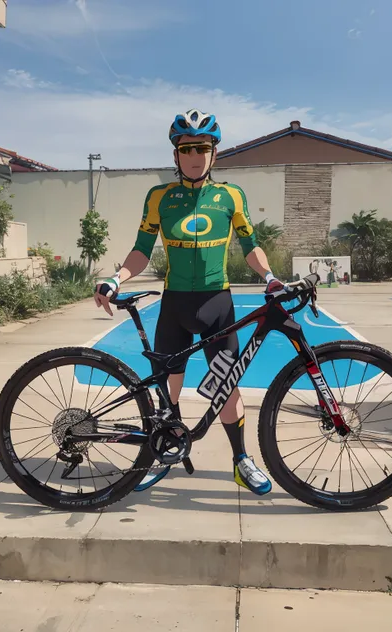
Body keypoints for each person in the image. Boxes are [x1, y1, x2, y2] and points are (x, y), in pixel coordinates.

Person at [95, 109, 288, 496]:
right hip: (176, 304)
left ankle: (240, 461)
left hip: (218, 301)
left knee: (228, 388)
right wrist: (115, 278)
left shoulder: (230, 195)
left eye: (202, 147)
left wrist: (269, 277)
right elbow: (141, 250)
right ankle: (164, 452)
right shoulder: (159, 198)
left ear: (214, 152)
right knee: (170, 388)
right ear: (176, 155)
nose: (194, 156)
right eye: (186, 149)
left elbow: (251, 247)